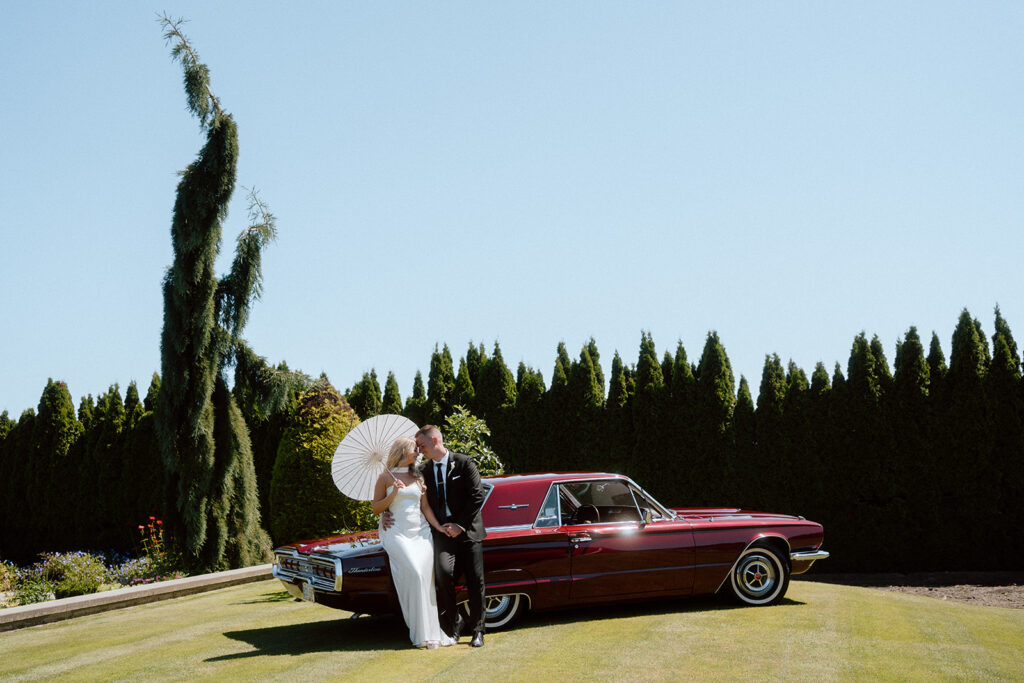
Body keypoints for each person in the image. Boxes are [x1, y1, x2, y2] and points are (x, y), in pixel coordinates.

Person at [371, 437, 454, 649]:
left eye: (418, 450)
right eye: (413, 450)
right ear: (401, 451)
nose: (417, 453)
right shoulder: (383, 478)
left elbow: (425, 508)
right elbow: (376, 509)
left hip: (421, 533)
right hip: (396, 532)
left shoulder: (418, 475)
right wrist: (394, 494)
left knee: (426, 580)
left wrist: (437, 527)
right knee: (416, 574)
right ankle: (419, 632)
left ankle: (432, 633)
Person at [413, 424, 487, 647]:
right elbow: (412, 497)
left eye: (422, 445)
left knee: (476, 581)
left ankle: (478, 631)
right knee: (443, 575)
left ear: (435, 441)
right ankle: (453, 626)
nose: (419, 451)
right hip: (443, 533)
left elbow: (477, 496)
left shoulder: (464, 463)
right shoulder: (423, 470)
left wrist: (460, 525)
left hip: (468, 531)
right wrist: (387, 515)